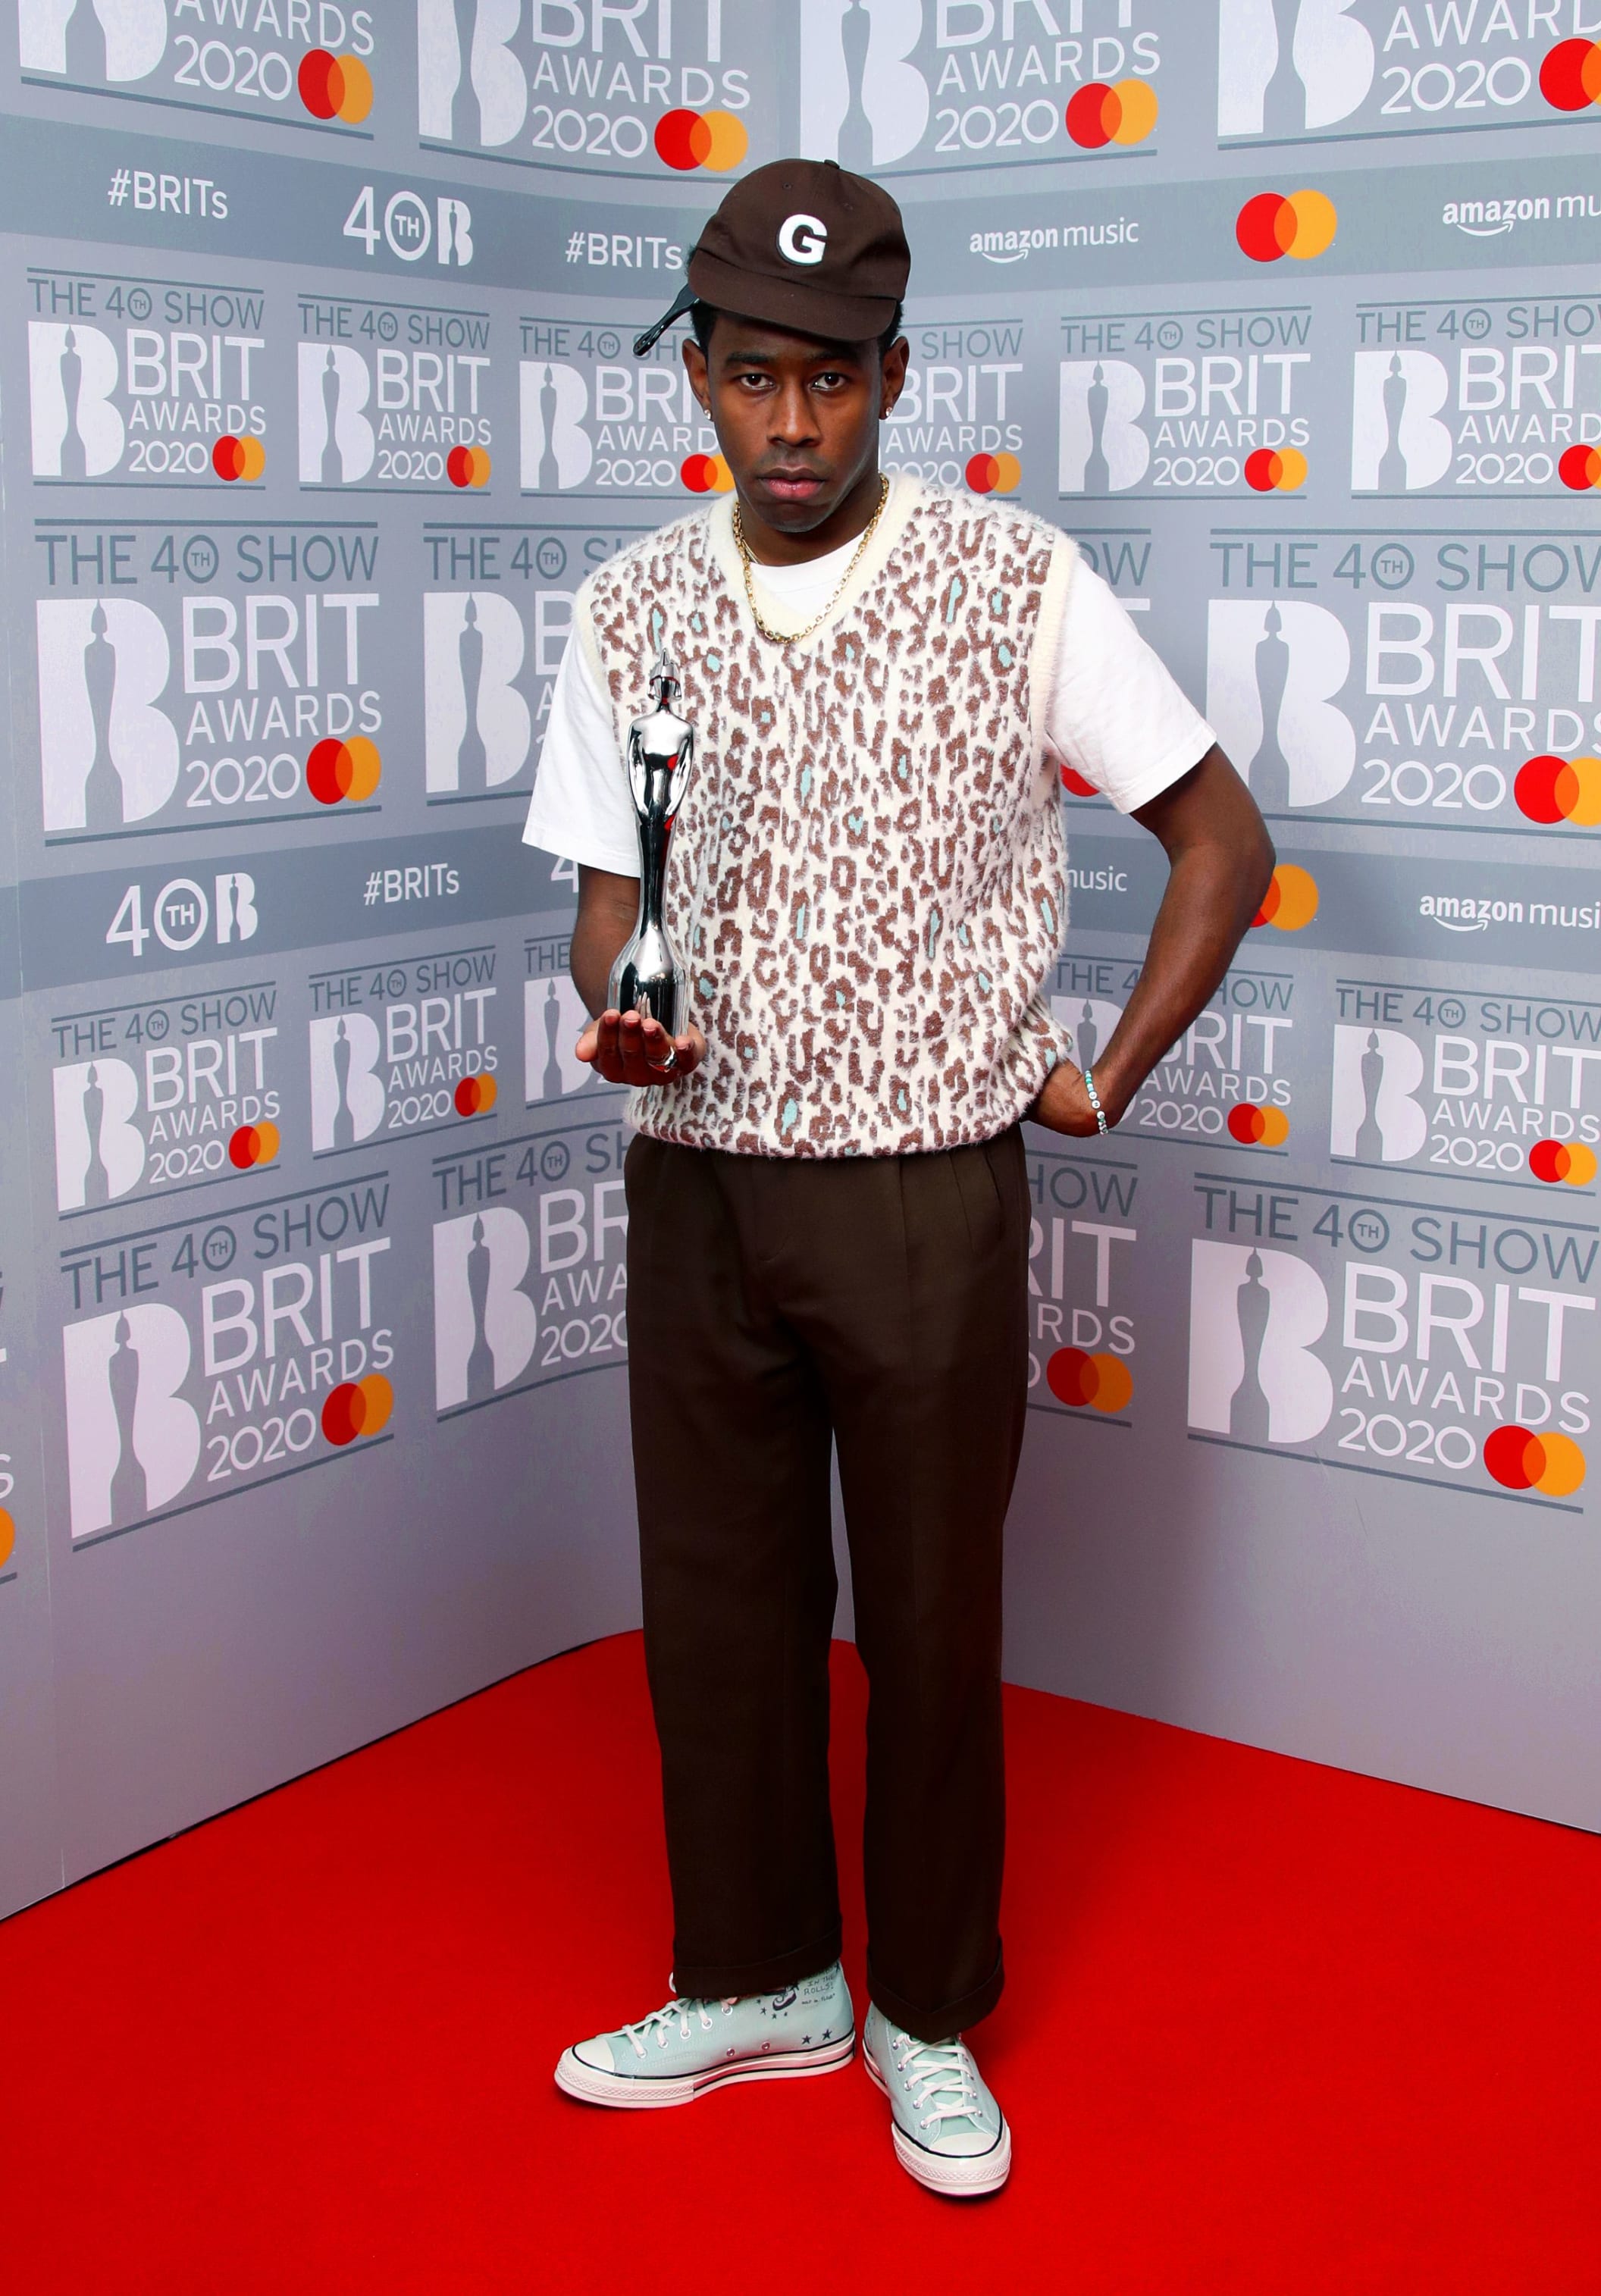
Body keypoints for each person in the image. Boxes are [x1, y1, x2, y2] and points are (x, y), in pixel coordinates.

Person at [525, 158, 1274, 2198]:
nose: (790, 422)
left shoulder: (1015, 582)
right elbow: (608, 905)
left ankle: (924, 2015)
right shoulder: (625, 609)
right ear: (697, 376)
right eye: (753, 376)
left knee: (932, 1622)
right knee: (720, 1609)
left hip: (929, 1192)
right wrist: (629, 997)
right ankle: (760, 1978)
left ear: (894, 375)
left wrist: (1108, 1071)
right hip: (693, 1185)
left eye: (832, 381)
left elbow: (1226, 837)